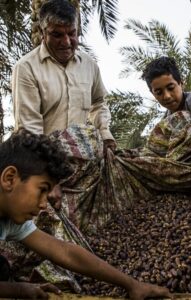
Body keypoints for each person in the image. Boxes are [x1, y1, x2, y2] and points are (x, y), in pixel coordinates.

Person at [0, 130, 171, 299]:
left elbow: (65, 252)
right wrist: (17, 290)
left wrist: (132, 284)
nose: (44, 204)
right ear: (9, 178)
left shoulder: (12, 219)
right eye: (42, 190)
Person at [12, 0, 116, 207]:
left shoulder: (89, 65)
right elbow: (29, 130)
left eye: (72, 34)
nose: (67, 42)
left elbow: (98, 103)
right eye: (57, 35)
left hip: (82, 163)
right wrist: (48, 179)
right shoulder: (26, 69)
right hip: (43, 164)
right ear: (43, 33)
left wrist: (105, 135)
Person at [142, 56, 191, 215]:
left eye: (171, 88)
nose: (167, 96)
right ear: (153, 93)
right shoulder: (167, 120)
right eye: (159, 92)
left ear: (181, 83)